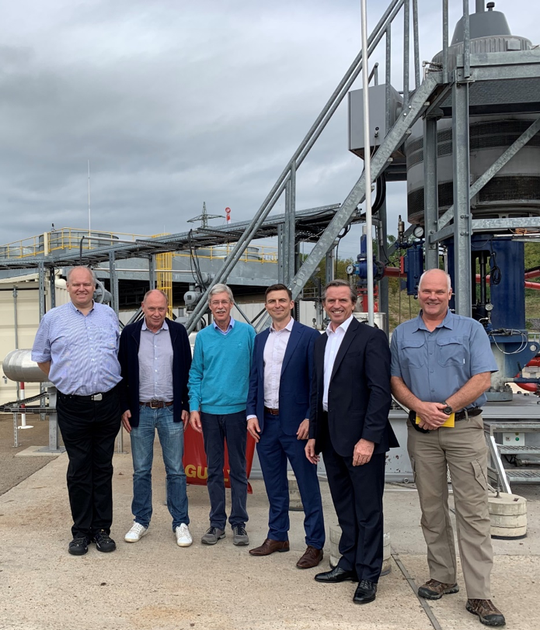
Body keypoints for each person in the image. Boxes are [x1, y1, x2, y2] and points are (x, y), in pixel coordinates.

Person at [390, 268, 505, 627]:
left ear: (450, 294)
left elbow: (483, 377)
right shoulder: (402, 334)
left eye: (439, 291)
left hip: (464, 428)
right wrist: (419, 407)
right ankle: (442, 576)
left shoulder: (470, 329)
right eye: (427, 291)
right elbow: (394, 379)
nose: (433, 297)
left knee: (473, 511)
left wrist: (444, 408)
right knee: (431, 508)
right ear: (418, 293)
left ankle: (480, 594)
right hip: (421, 431)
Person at [306, 279, 397, 605]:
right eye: (331, 300)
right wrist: (315, 434)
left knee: (368, 509)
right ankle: (348, 562)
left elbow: (380, 393)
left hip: (361, 438)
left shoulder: (370, 338)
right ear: (324, 304)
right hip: (331, 436)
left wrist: (369, 439)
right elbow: (318, 392)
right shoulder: (320, 341)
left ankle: (368, 574)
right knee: (344, 506)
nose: (336, 305)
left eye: (342, 300)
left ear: (354, 303)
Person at [32, 266, 122, 556]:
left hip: (107, 402)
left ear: (94, 286)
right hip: (73, 405)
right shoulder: (53, 319)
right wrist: (64, 379)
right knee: (79, 468)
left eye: (87, 284)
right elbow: (42, 358)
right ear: (68, 287)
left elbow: (117, 352)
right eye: (76, 284)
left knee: (103, 467)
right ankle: (81, 531)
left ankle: (102, 529)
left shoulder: (108, 315)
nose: (82, 288)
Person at [246, 284, 325, 568]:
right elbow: (255, 379)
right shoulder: (260, 340)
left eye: (282, 300)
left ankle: (315, 544)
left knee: (307, 486)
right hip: (266, 423)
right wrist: (251, 415)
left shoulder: (309, 337)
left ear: (292, 304)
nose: (277, 305)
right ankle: (278, 536)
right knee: (274, 485)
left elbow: (317, 383)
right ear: (266, 305)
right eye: (271, 301)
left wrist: (310, 418)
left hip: (298, 427)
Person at [118, 290, 192, 547]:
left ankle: (180, 522)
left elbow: (186, 370)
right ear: (143, 307)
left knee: (175, 470)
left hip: (171, 410)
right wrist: (124, 406)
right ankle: (141, 520)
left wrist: (185, 404)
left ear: (167, 308)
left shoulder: (178, 332)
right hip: (141, 411)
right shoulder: (130, 334)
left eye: (161, 309)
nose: (157, 314)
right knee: (141, 470)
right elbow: (122, 372)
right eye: (152, 309)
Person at [188, 284, 255, 546]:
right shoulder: (203, 337)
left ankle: (239, 523)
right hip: (210, 414)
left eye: (224, 302)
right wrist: (195, 407)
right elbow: (196, 374)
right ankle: (216, 524)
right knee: (214, 470)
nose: (219, 306)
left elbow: (255, 374)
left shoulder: (248, 333)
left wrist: (252, 411)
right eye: (215, 302)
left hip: (238, 412)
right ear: (210, 306)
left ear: (232, 304)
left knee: (238, 470)